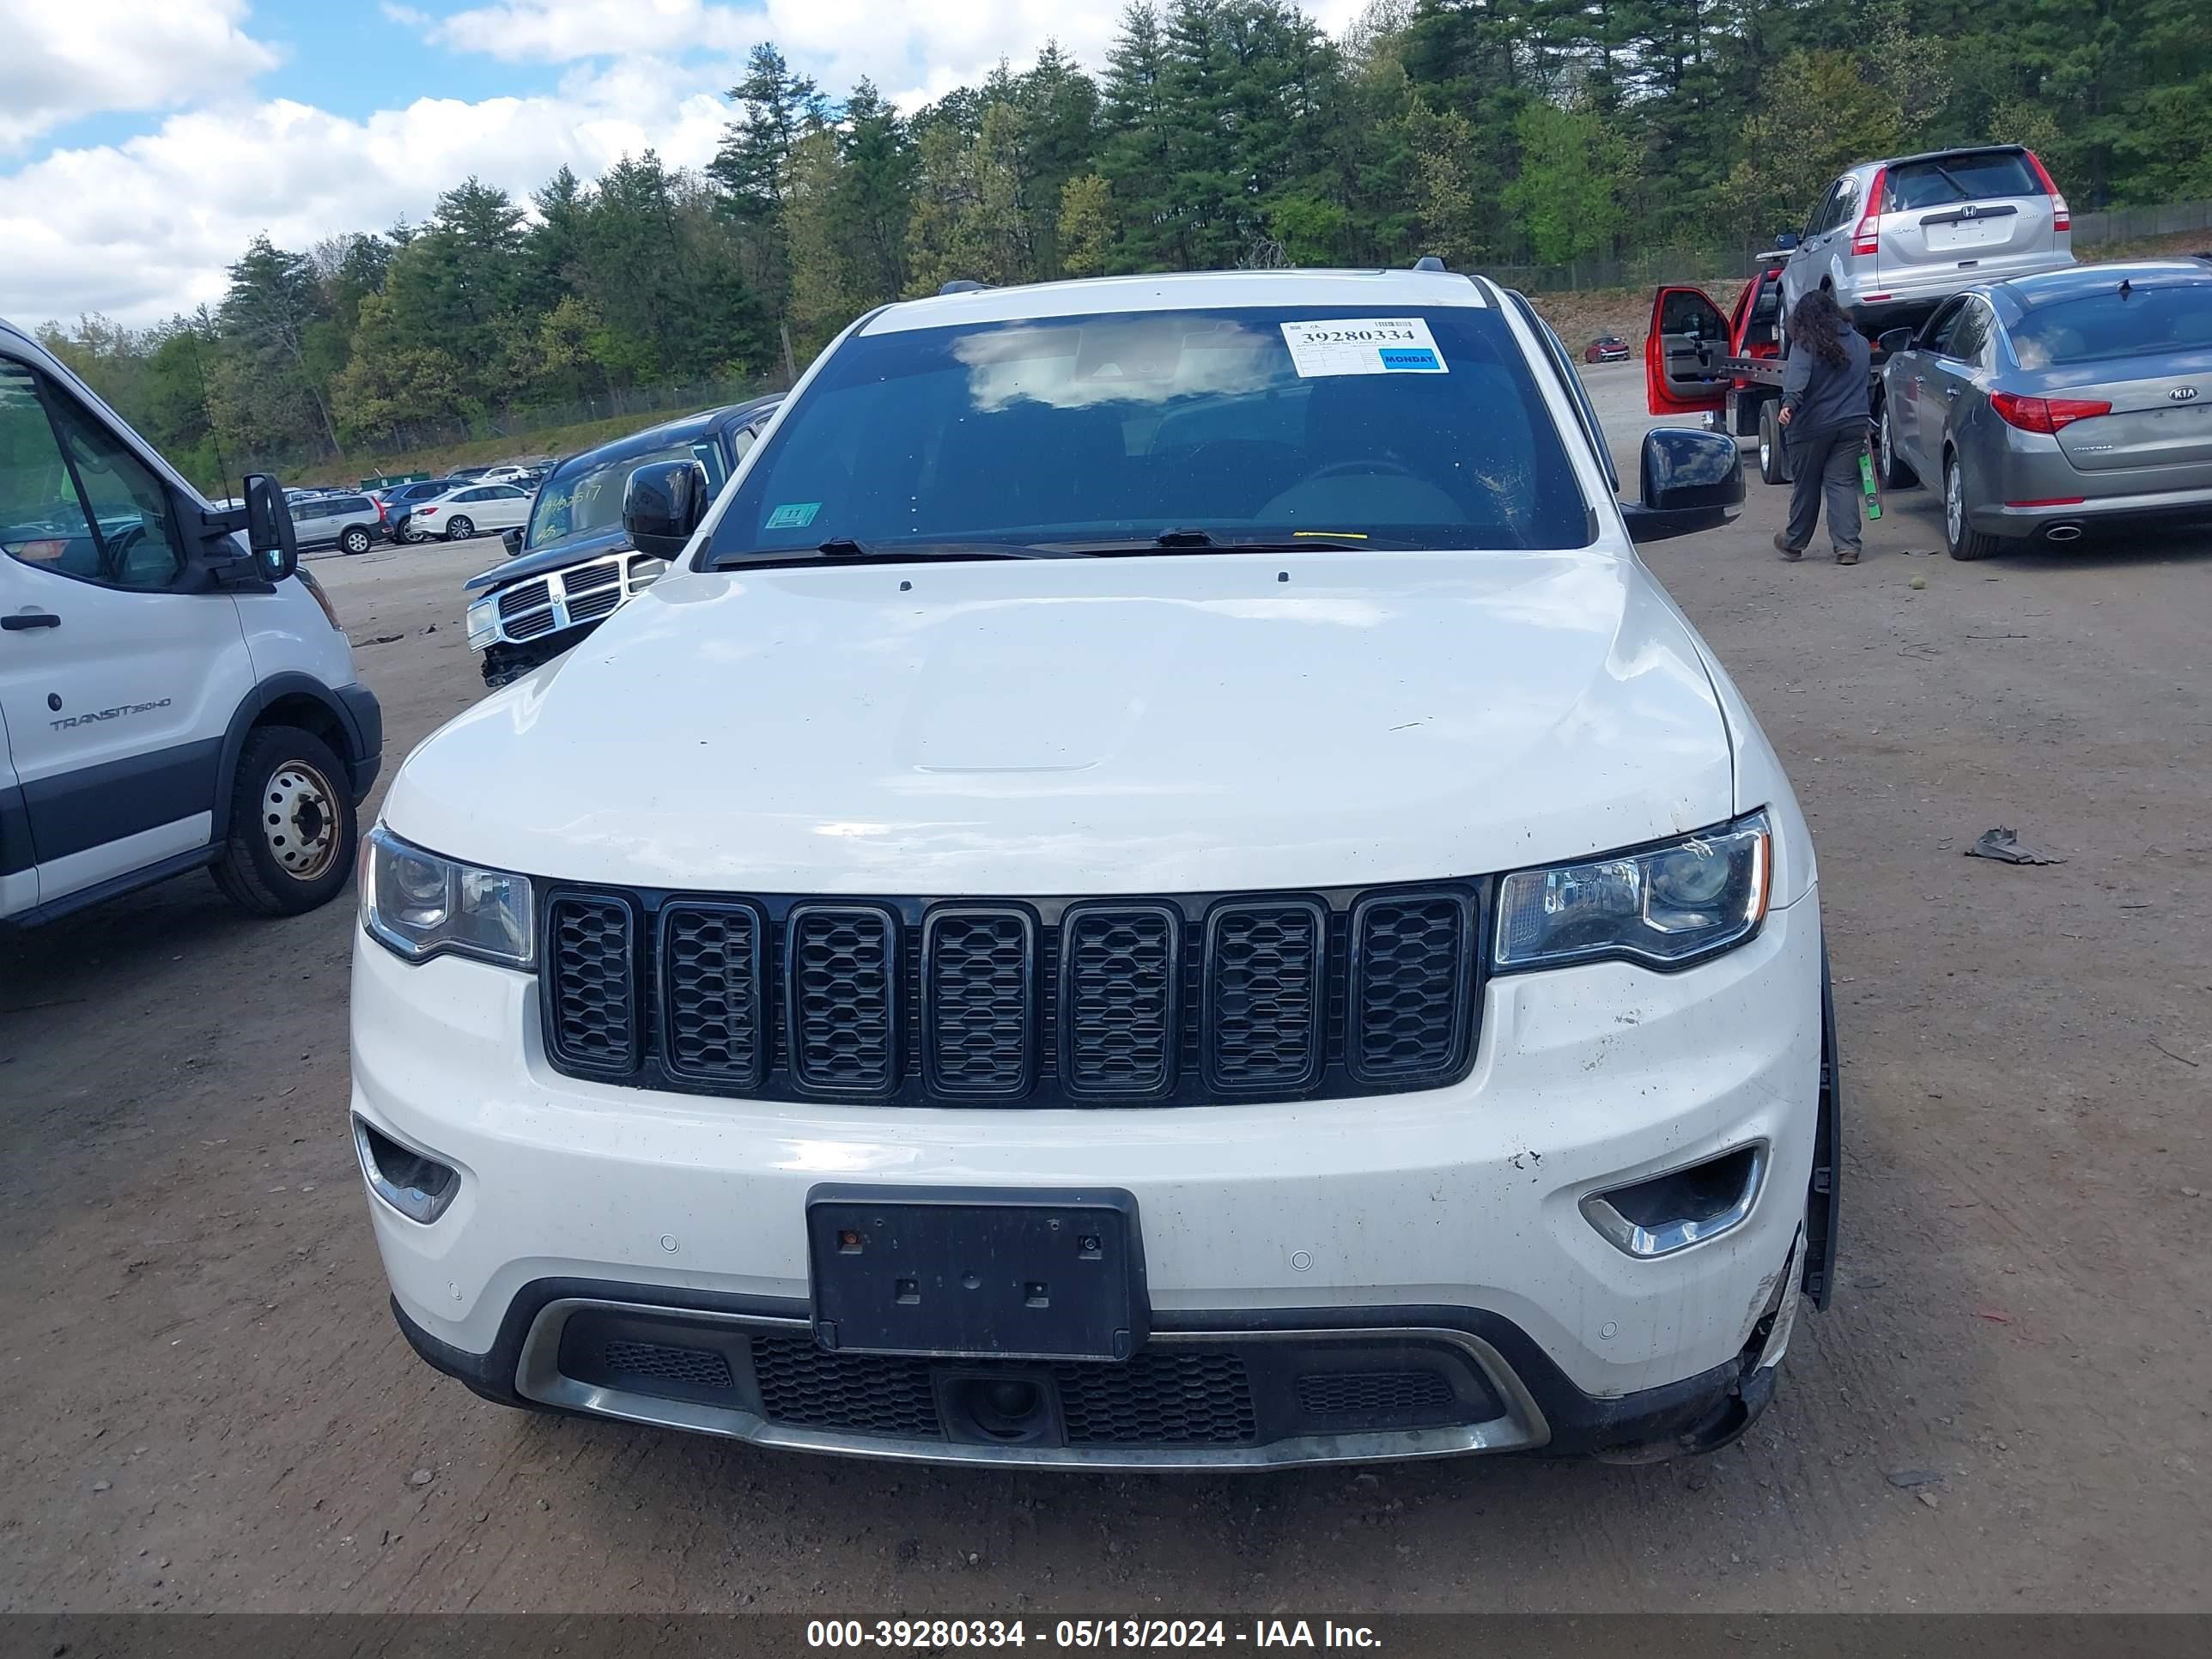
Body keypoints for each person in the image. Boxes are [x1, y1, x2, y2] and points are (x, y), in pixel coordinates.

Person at [1774, 289, 1872, 566]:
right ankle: (1847, 547)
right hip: (1854, 422)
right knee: (1841, 482)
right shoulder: (1861, 343)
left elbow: (1798, 376)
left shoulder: (1805, 343)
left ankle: (1794, 543)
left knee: (1807, 485)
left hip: (1812, 426)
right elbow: (1867, 383)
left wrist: (1789, 404)